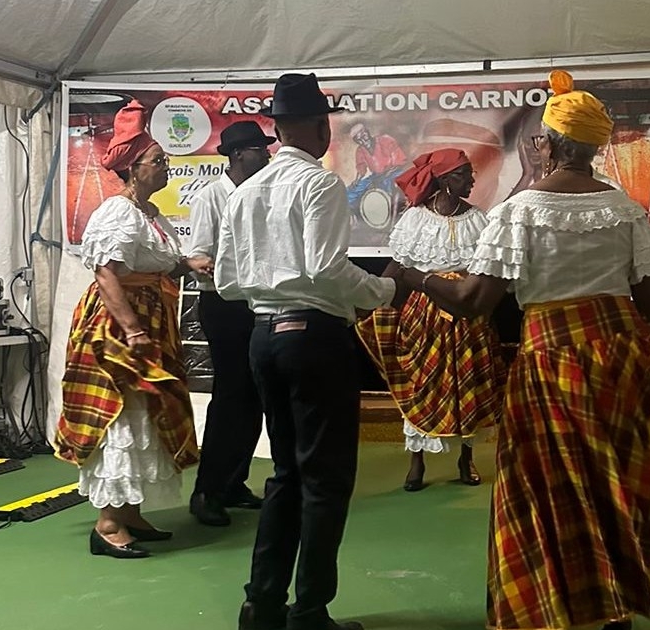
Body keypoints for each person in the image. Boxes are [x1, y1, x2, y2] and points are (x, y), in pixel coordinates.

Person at [395, 70, 650, 630]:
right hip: (620, 363)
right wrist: (607, 330)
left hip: (548, 367)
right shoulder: (627, 210)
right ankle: (621, 605)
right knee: (619, 486)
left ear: (547, 143)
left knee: (548, 491)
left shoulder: (519, 212)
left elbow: (472, 301)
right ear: (595, 145)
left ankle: (557, 606)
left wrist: (413, 276)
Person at [215, 73, 401, 630]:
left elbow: (226, 281)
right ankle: (311, 611)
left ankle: (262, 604)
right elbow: (325, 268)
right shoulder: (317, 184)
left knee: (285, 476)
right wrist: (387, 290)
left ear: (276, 128)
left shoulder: (245, 190)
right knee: (324, 479)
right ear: (320, 127)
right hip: (313, 338)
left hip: (262, 337)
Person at [55, 100, 211, 559]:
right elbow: (107, 274)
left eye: (164, 159)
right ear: (133, 169)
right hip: (120, 323)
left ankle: (130, 511)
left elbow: (153, 262)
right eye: (157, 161)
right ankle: (106, 524)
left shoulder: (151, 215)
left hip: (148, 316)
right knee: (120, 412)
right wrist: (132, 329)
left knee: (146, 410)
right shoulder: (117, 213)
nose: (165, 167)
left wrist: (186, 262)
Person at [355, 148, 505, 492]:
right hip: (426, 318)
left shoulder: (480, 220)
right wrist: (371, 300)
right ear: (444, 179)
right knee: (423, 385)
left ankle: (465, 458)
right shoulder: (414, 220)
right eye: (464, 173)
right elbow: (398, 268)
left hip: (469, 317)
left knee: (469, 384)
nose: (471, 179)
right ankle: (417, 461)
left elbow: (486, 274)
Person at [186, 120, 277, 526]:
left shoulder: (261, 194)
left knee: (254, 396)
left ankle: (234, 482)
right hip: (223, 306)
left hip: (254, 304)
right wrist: (226, 269)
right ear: (239, 154)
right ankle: (206, 491)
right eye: (261, 149)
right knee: (229, 399)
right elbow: (199, 257)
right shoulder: (212, 197)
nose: (268, 154)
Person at [345, 122, 408, 209]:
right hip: (376, 176)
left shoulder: (386, 140)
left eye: (364, 136)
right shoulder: (360, 150)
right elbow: (361, 168)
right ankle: (353, 214)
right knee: (350, 192)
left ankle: (391, 211)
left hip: (395, 172)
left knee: (390, 187)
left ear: (368, 132)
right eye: (359, 140)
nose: (363, 141)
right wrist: (356, 182)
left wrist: (383, 177)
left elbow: (399, 163)